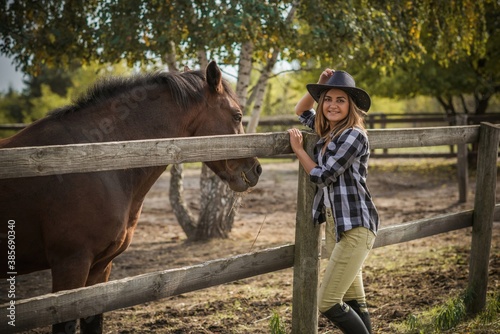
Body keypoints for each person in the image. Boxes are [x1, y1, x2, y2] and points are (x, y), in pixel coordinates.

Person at [288, 68, 379, 334]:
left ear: (351, 105)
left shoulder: (354, 135)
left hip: (356, 225)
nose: (333, 105)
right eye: (327, 99)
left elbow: (324, 175)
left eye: (341, 100)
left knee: (327, 301)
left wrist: (298, 151)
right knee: (354, 299)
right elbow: (300, 110)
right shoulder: (327, 131)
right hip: (337, 224)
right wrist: (319, 85)